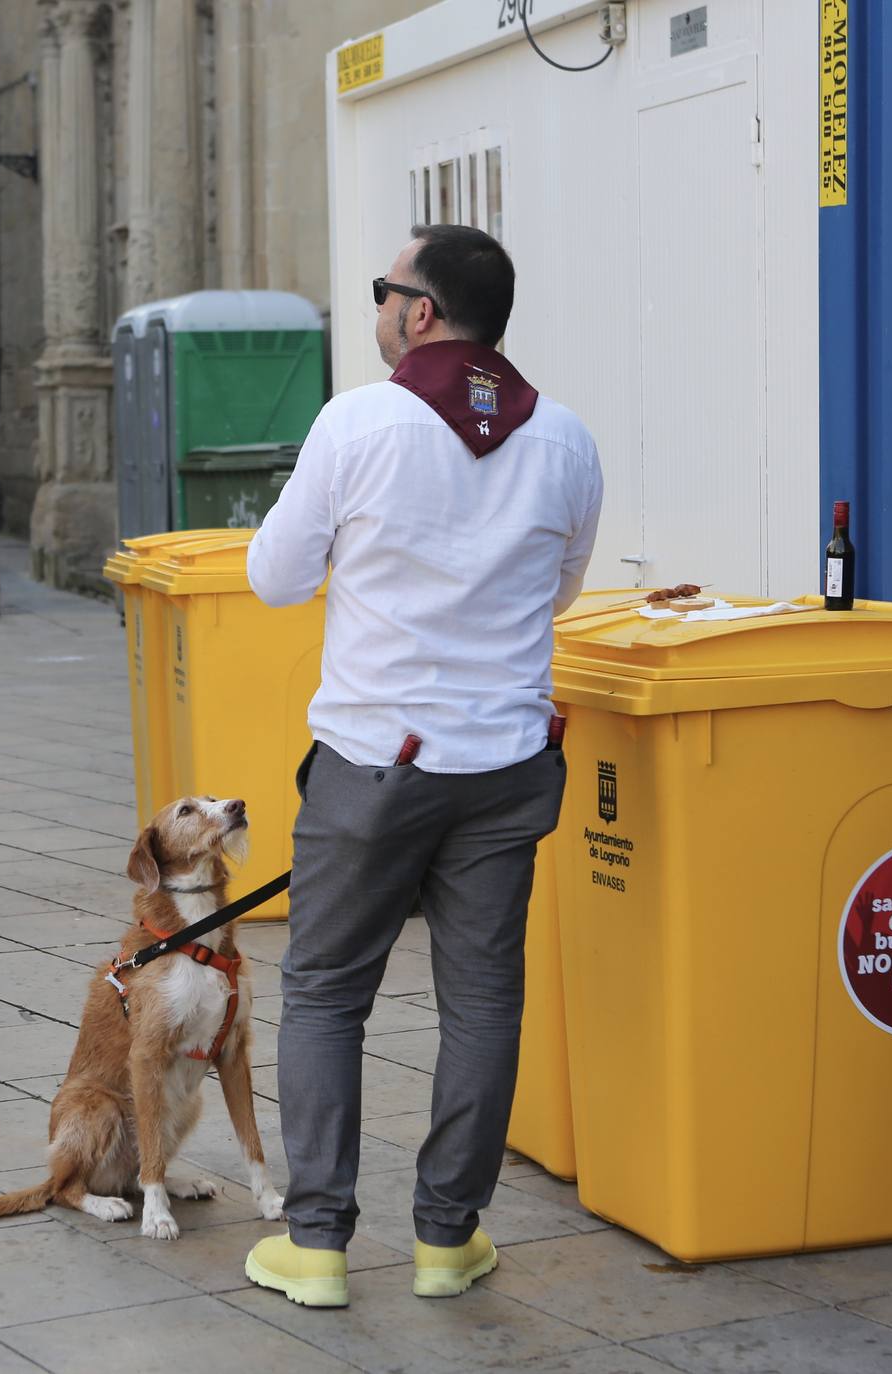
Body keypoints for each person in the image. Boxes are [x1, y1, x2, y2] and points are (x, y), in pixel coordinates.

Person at [241, 225, 604, 1306]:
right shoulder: (566, 439)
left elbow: (271, 577)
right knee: (485, 1002)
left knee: (325, 995)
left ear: (421, 313)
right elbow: (564, 589)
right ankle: (449, 1240)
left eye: (384, 291)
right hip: (504, 762)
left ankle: (316, 1246)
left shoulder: (359, 421)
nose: (379, 308)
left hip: (374, 761)